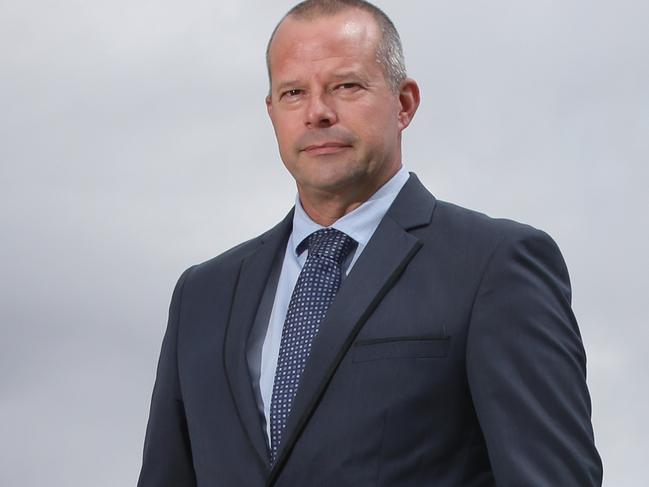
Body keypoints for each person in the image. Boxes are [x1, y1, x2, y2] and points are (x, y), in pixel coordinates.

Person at [137, 1, 603, 485]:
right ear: (272, 111)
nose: (318, 112)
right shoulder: (202, 295)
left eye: (346, 86)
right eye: (294, 92)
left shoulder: (495, 267)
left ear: (404, 104)